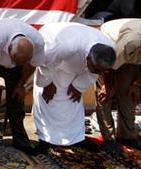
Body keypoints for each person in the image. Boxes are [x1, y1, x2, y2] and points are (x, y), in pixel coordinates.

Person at [32, 22, 116, 153]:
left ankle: (76, 138)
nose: (99, 74)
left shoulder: (108, 49)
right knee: (49, 99)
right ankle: (46, 139)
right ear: (88, 58)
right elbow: (46, 63)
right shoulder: (66, 46)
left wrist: (79, 86)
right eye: (96, 69)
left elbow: (96, 72)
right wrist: (47, 84)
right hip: (52, 56)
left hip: (73, 60)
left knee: (72, 100)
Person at [0, 19, 45, 157]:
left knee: (17, 100)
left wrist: (21, 85)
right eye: (13, 60)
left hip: (17, 68)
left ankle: (20, 141)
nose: (11, 63)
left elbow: (32, 65)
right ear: (9, 48)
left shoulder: (37, 42)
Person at [96, 18, 141, 152]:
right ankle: (108, 138)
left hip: (129, 52)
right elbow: (108, 65)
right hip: (109, 47)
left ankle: (127, 136)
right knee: (105, 96)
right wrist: (107, 86)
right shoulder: (131, 42)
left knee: (129, 94)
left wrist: (136, 84)